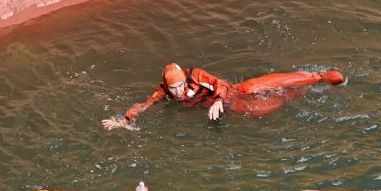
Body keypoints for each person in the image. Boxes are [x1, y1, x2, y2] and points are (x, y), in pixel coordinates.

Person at [102, 63, 345, 130]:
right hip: (224, 105)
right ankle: (294, 95)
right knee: (258, 110)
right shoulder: (162, 93)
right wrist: (124, 121)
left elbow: (219, 84)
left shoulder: (196, 75)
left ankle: (317, 77)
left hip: (230, 92)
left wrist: (218, 99)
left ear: (185, 81)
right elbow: (142, 106)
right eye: (171, 89)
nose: (176, 92)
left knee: (253, 88)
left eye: (178, 87)